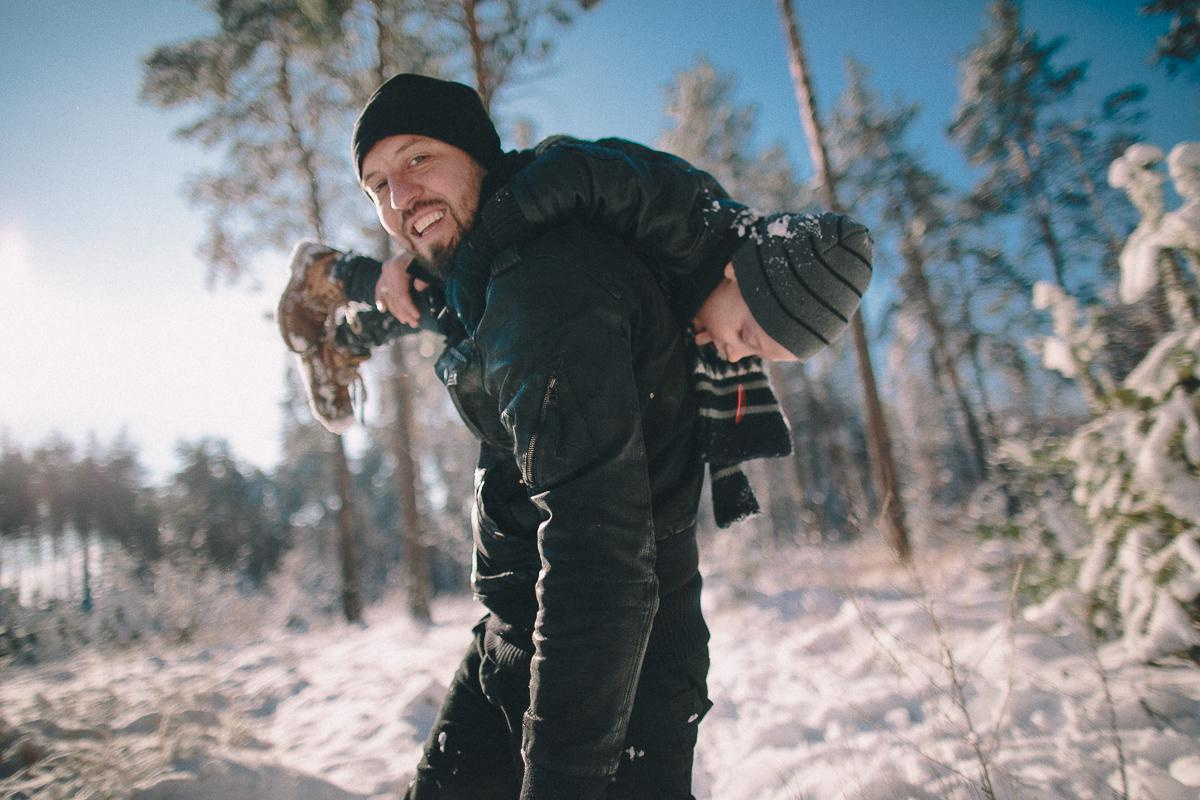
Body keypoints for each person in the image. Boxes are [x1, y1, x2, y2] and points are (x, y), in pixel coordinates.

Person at [277, 73, 872, 799]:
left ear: (477, 155)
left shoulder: (561, 278)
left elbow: (601, 555)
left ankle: (347, 291)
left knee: (446, 294)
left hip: (594, 668)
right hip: (550, 641)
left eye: (417, 160)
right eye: (376, 186)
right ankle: (344, 291)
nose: (397, 198)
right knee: (445, 292)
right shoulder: (556, 257)